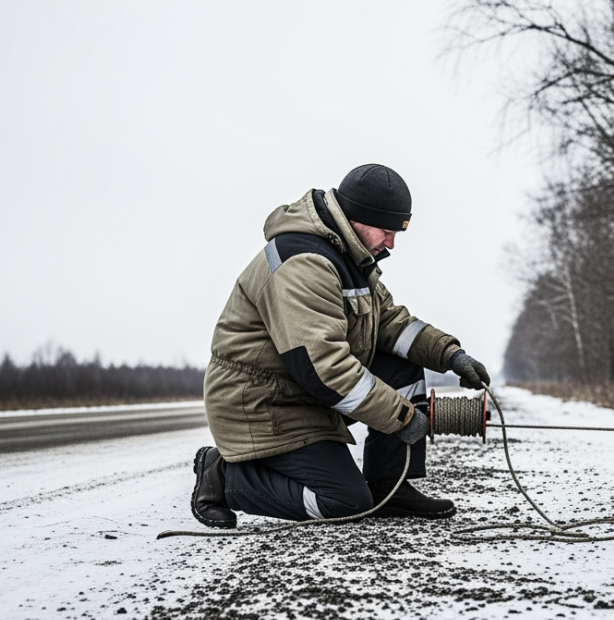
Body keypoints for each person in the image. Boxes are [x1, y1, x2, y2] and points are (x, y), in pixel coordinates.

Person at [187, 164, 492, 528]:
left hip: (300, 394)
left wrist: (449, 354)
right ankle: (224, 477)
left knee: (401, 365)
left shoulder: (349, 256)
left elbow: (390, 323)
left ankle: (390, 487)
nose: (391, 243)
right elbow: (325, 370)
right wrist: (404, 419)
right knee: (344, 502)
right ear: (359, 219)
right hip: (264, 404)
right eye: (387, 230)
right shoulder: (304, 264)